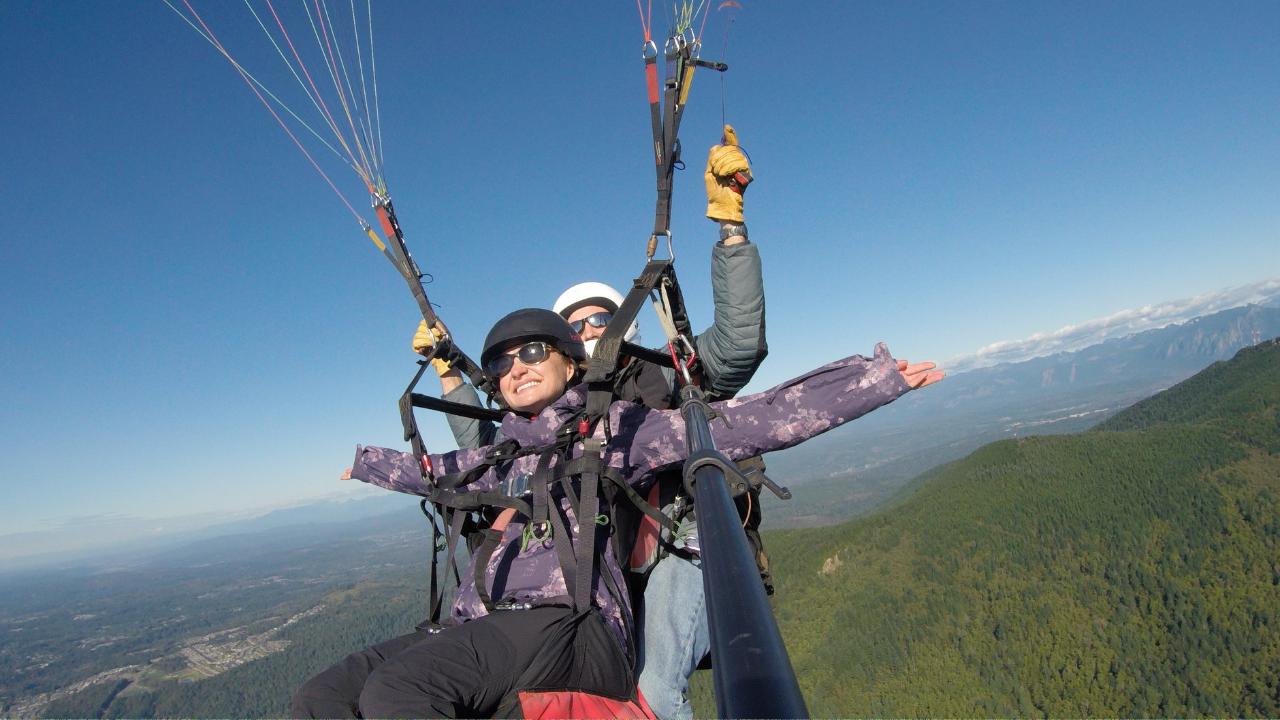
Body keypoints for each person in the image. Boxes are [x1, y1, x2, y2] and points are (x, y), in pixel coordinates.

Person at [292, 306, 944, 718]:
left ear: (572, 362)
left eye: (531, 351)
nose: (514, 366)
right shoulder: (504, 455)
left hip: (568, 629)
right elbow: (438, 472)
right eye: (500, 360)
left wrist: (874, 380)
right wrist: (366, 462)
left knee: (398, 697)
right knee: (320, 698)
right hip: (482, 626)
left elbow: (747, 423)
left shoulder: (614, 430)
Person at [415, 126, 769, 719]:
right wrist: (450, 373)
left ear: (622, 322)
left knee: (653, 692)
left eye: (599, 317)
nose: (588, 331)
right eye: (572, 327)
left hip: (671, 544)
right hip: (594, 559)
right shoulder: (558, 411)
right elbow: (491, 452)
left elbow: (736, 347)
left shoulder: (662, 374)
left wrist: (730, 229)